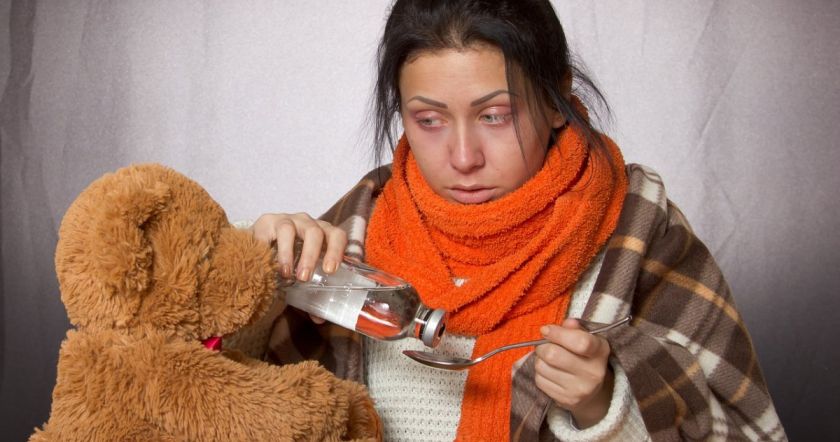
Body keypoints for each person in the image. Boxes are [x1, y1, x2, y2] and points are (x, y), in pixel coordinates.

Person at [249, 1, 786, 440]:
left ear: (556, 99)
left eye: (495, 116)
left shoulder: (639, 234)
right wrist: (256, 286)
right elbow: (224, 394)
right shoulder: (360, 222)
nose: (464, 157)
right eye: (429, 120)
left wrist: (605, 406)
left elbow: (747, 431)